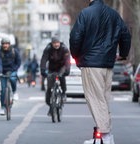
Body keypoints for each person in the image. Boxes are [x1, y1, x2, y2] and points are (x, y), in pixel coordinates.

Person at [69, 0, 131, 143]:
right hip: (108, 63)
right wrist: (123, 53)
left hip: (91, 63)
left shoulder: (86, 13)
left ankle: (105, 136)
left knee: (96, 99)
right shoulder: (114, 14)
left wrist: (76, 56)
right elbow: (126, 35)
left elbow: (75, 37)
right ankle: (102, 136)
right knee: (103, 99)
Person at [40, 37, 70, 116]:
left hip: (62, 67)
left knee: (61, 76)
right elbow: (44, 59)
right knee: (49, 88)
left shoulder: (64, 49)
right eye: (54, 43)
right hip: (52, 68)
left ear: (60, 43)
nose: (56, 44)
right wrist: (43, 70)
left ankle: (63, 93)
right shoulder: (48, 49)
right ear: (52, 43)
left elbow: (67, 61)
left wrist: (67, 70)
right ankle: (51, 106)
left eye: (58, 43)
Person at [0, 38, 21, 115]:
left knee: (13, 79)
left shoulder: (14, 51)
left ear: (9, 44)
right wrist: (0, 71)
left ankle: (14, 92)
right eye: (3, 44)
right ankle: (2, 107)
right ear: (2, 45)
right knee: (3, 90)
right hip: (3, 72)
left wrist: (15, 69)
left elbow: (18, 61)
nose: (5, 45)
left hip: (12, 70)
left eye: (6, 44)